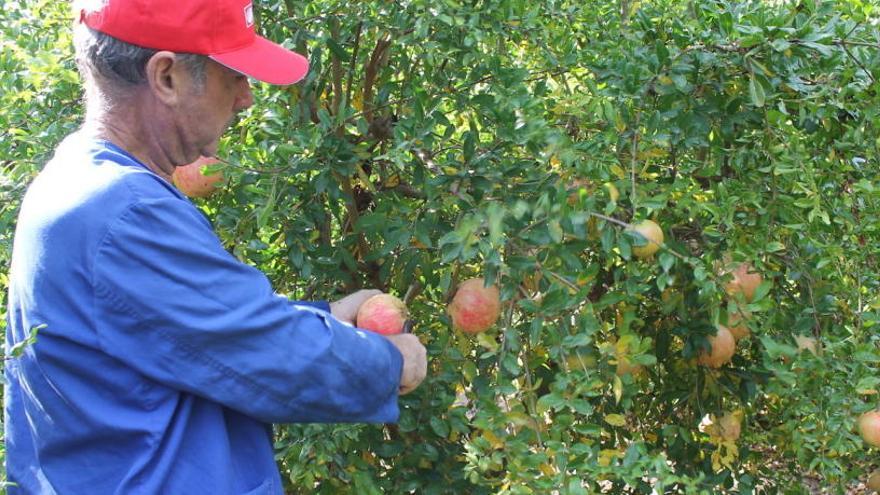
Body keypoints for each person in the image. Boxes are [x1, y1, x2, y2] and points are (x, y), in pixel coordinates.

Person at [4, 0, 427, 493]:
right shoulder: (124, 212)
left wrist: (327, 314)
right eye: (233, 76)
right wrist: (391, 362)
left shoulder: (80, 181)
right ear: (165, 77)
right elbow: (269, 357)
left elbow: (191, 329)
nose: (246, 98)